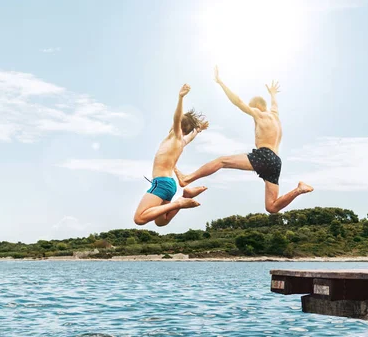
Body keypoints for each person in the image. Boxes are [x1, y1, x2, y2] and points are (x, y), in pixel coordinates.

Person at [175, 67, 313, 214]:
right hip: (276, 161)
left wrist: (221, 83)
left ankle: (187, 178)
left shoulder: (260, 114)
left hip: (265, 156)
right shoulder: (275, 116)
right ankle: (299, 190)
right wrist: (273, 94)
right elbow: (274, 104)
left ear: (258, 106)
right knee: (271, 207)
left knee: (222, 161)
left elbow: (238, 101)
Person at [133, 84, 209, 226]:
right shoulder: (181, 142)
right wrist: (198, 130)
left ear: (179, 125)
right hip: (170, 185)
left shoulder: (175, 135)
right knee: (161, 222)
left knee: (139, 218)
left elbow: (177, 118)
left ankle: (179, 202)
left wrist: (180, 98)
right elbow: (191, 137)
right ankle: (185, 196)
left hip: (161, 183)